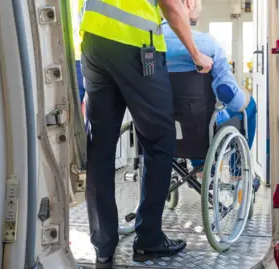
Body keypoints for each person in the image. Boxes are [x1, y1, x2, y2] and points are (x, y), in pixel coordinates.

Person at [78, 0, 213, 267]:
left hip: (93, 46)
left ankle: (103, 247)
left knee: (100, 149)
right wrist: (196, 54)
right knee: (160, 141)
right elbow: (170, 4)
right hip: (136, 46)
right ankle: (148, 238)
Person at [163, 0, 259, 185]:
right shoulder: (206, 44)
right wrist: (245, 98)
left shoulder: (149, 41)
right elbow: (228, 95)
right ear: (189, 3)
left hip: (160, 125)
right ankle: (237, 175)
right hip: (200, 128)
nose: (201, 8)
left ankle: (198, 164)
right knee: (248, 107)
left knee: (187, 115)